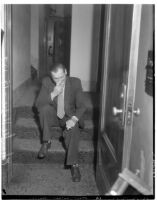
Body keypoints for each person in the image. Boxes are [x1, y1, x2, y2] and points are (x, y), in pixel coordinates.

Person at [35, 63, 86, 182]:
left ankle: (74, 165)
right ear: (51, 77)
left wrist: (74, 120)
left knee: (73, 130)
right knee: (44, 109)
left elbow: (82, 106)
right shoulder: (47, 82)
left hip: (69, 116)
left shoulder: (75, 82)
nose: (59, 81)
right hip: (54, 115)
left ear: (66, 72)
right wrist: (53, 94)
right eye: (55, 78)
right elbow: (38, 104)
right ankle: (46, 141)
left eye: (61, 77)